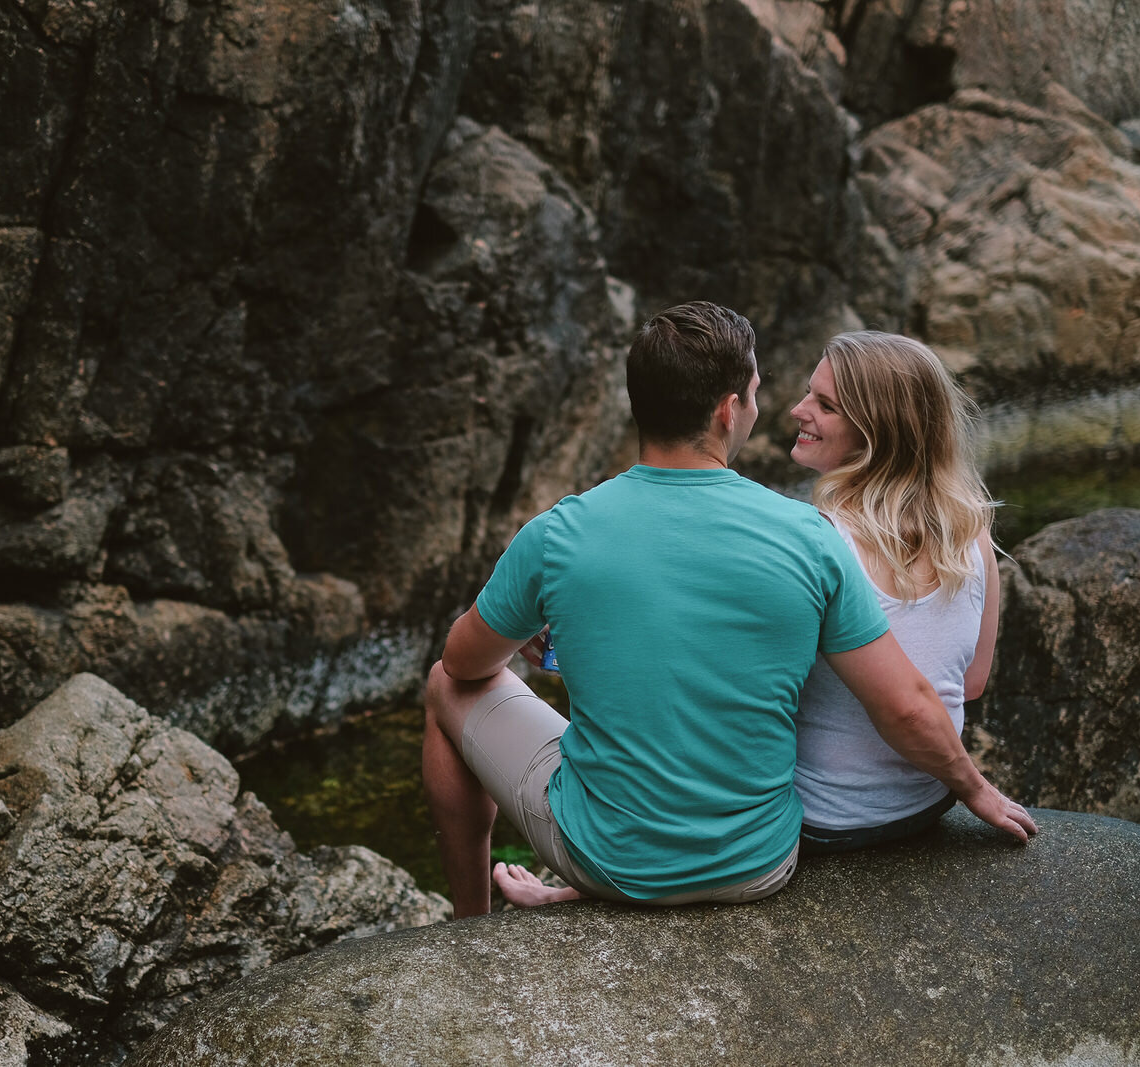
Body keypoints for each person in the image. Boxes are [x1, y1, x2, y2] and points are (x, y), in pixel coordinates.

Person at [421, 301, 1036, 919]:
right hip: (762, 862)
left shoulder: (558, 533)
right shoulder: (806, 534)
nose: (781, 410)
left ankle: (470, 922)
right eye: (760, 394)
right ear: (728, 409)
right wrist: (974, 790)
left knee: (443, 685)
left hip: (610, 861)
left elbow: (464, 663)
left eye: (819, 403)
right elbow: (920, 694)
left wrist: (565, 626)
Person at [789, 331, 1001, 853]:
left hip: (824, 818)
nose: (798, 410)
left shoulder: (817, 539)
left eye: (825, 405)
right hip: (926, 803)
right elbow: (970, 684)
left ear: (875, 432)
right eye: (808, 394)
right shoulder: (973, 532)